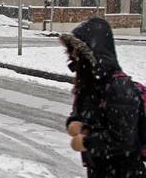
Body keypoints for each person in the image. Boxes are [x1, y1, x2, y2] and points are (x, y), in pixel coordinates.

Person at [60, 16, 146, 178]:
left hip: (125, 172)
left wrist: (86, 142)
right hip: (98, 169)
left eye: (76, 56)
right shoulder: (88, 86)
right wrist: (74, 122)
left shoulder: (119, 88)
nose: (72, 62)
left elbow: (123, 139)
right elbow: (80, 113)